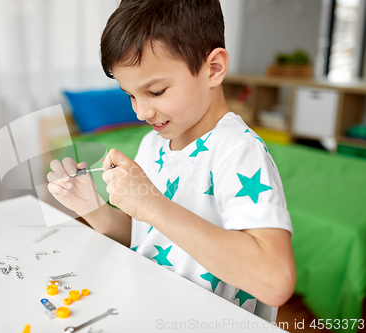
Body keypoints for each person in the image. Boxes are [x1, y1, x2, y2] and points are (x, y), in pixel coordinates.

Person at [47, 0, 295, 312]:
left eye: (156, 91)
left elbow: (275, 281)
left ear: (213, 69)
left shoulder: (236, 150)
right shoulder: (152, 145)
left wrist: (152, 203)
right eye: (131, 95)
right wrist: (92, 206)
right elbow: (145, 238)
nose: (141, 112)